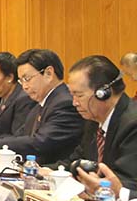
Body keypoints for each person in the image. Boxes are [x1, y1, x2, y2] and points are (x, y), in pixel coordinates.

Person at [0, 48, 83, 165]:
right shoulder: (40, 104)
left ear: (49, 73)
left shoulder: (65, 103)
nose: (24, 86)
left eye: (27, 79)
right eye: (21, 81)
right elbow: (19, 136)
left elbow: (40, 142)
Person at [57, 55, 137, 189]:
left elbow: (128, 182)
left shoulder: (132, 125)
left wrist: (99, 185)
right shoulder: (94, 121)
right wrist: (48, 172)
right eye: (72, 95)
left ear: (103, 93)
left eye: (79, 95)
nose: (74, 103)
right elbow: (76, 161)